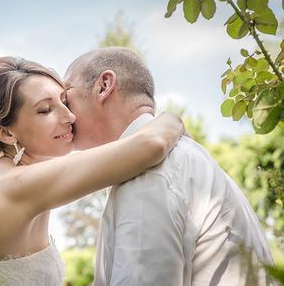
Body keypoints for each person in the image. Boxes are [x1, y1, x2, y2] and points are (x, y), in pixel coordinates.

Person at [0, 56, 185, 286]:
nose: (69, 116)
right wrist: (173, 119)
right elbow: (151, 144)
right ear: (6, 133)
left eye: (65, 102)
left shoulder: (0, 176)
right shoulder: (15, 185)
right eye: (45, 110)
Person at [63, 47, 275, 286]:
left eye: (67, 90)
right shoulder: (181, 158)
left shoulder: (148, 175)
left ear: (104, 86)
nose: (62, 106)